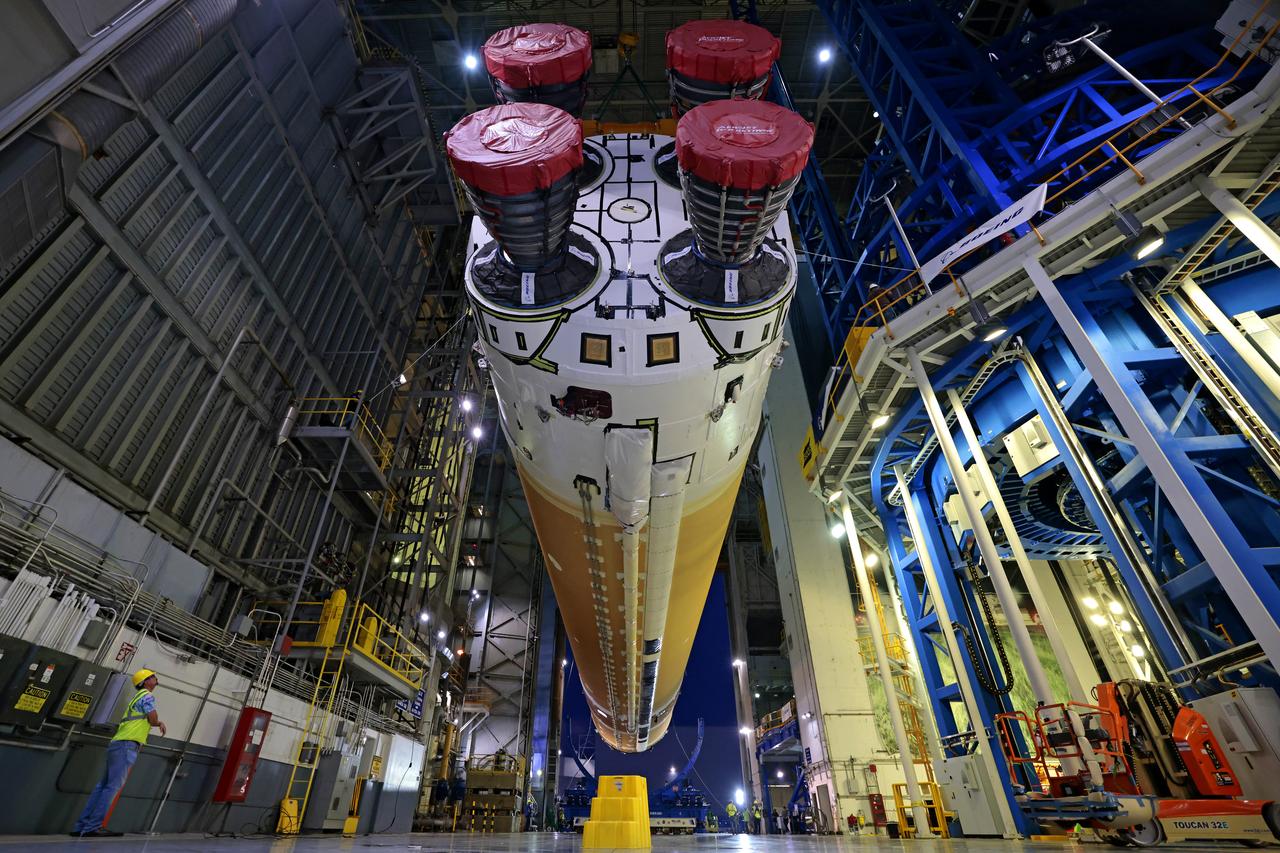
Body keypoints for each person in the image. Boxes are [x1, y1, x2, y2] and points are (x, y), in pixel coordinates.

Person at [71, 669, 166, 838]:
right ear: (145, 682)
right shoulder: (147, 696)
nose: (155, 678)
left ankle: (81, 827)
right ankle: (92, 827)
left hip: (118, 743)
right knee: (111, 787)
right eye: (152, 676)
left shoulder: (137, 697)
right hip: (126, 745)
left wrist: (156, 722)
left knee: (103, 787)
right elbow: (152, 719)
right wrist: (158, 722)